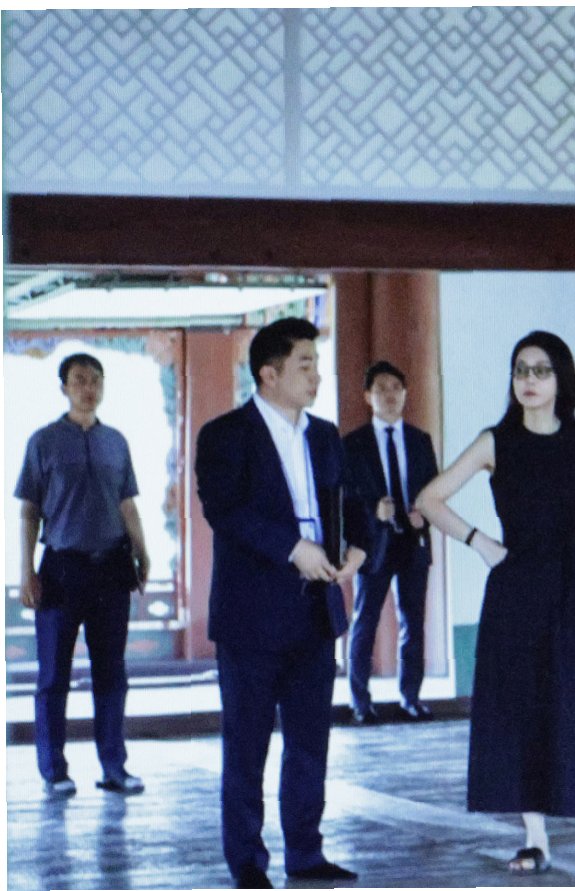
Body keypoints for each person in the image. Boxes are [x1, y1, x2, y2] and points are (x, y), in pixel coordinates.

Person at [415, 330, 575, 876]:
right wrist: (481, 543)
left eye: (541, 370)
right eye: (521, 370)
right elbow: (429, 499)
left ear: (560, 380)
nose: (529, 380)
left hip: (572, 584)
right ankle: (534, 838)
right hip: (515, 586)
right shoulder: (494, 441)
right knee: (522, 706)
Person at [195, 318, 369, 889]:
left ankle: (306, 854)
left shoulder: (324, 436)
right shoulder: (225, 435)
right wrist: (293, 548)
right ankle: (248, 863)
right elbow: (226, 511)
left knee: (309, 746)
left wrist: (360, 546)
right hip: (251, 618)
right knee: (247, 748)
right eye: (305, 365)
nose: (317, 376)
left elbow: (351, 500)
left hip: (315, 612)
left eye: (317, 365)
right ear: (269, 374)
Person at [15, 353, 151, 798]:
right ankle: (54, 770)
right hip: (61, 568)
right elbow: (29, 511)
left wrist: (143, 551)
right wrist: (26, 570)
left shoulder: (116, 442)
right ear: (64, 388)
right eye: (79, 380)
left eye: (95, 380)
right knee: (53, 675)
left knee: (112, 672)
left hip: (112, 568)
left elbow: (127, 504)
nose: (88, 388)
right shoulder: (44, 442)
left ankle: (114, 766)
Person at [342, 361, 440, 724]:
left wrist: (424, 515)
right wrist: (374, 512)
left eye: (396, 388)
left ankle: (411, 698)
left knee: (413, 623)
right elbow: (345, 498)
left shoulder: (420, 440)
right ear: (368, 397)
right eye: (381, 389)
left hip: (413, 543)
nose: (390, 395)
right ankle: (360, 702)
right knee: (365, 621)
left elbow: (434, 489)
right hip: (373, 544)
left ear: (406, 394)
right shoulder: (353, 444)